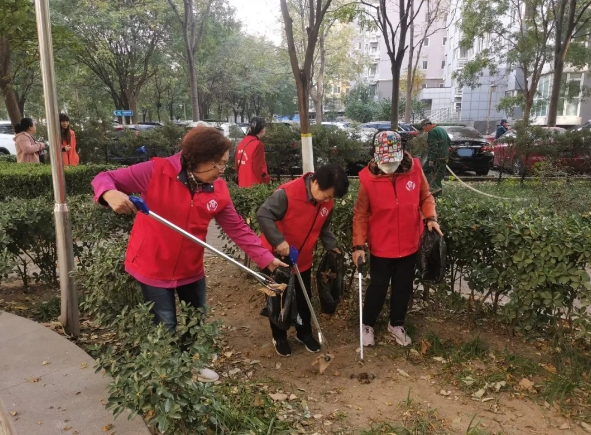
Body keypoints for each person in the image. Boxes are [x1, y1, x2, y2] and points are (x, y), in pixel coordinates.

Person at [92, 126, 286, 382]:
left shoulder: (217, 189)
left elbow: (237, 227)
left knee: (196, 319)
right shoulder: (155, 171)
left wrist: (266, 259)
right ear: (198, 160)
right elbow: (104, 177)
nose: (221, 171)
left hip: (191, 267)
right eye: (218, 164)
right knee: (165, 325)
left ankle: (190, 364)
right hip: (153, 266)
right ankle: (169, 378)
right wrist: (109, 193)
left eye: (224, 165)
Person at [352, 131, 442, 348]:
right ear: (376, 156)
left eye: (393, 161)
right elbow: (361, 214)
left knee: (403, 286)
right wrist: (358, 245)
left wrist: (430, 217)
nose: (389, 165)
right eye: (385, 161)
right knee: (378, 286)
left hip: (410, 242)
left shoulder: (414, 170)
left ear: (401, 154)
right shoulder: (367, 178)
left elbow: (426, 196)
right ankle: (367, 324)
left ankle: (397, 323)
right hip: (382, 244)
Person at [257, 164, 350, 357]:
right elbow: (263, 214)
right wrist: (278, 241)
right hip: (276, 259)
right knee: (278, 300)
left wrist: (331, 245)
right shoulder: (287, 194)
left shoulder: (326, 203)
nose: (328, 199)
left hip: (302, 259)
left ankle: (304, 332)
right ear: (315, 182)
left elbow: (324, 228)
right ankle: (279, 336)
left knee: (303, 298)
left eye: (331, 197)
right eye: (327, 194)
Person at [235, 116, 271, 187]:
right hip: (254, 186)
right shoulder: (258, 144)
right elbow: (259, 168)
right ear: (262, 129)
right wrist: (267, 180)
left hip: (242, 183)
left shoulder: (242, 142)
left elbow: (236, 165)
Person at [419, 119, 450, 196]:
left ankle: (435, 190)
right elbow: (449, 141)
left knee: (424, 172)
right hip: (444, 157)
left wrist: (431, 161)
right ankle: (439, 194)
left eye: (424, 128)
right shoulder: (441, 129)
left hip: (436, 158)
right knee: (438, 176)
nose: (425, 131)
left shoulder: (432, 132)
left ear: (427, 125)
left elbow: (434, 148)